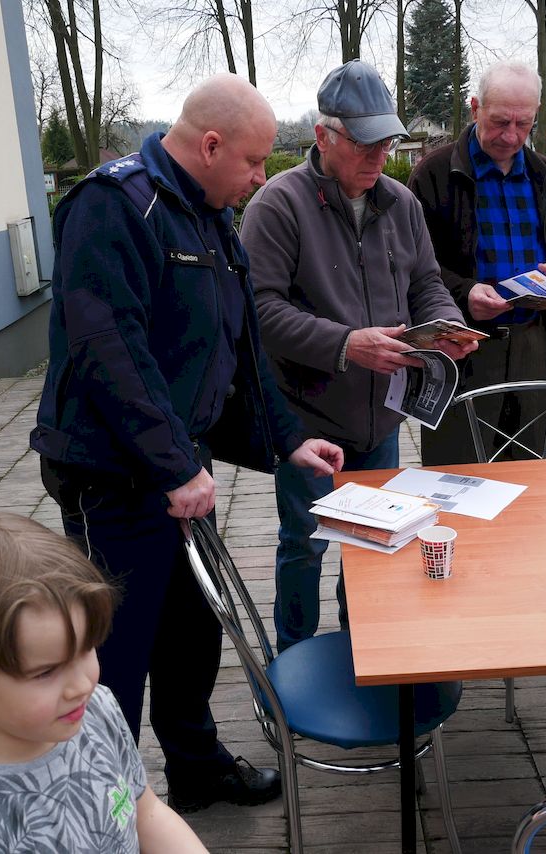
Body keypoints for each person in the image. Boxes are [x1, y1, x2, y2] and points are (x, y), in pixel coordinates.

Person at [30, 74, 344, 813]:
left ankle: (197, 771)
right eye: (254, 161)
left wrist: (289, 440)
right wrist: (174, 466)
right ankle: (103, 811)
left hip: (177, 469)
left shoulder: (209, 214)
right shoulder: (114, 206)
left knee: (191, 632)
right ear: (209, 145)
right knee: (115, 655)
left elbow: (242, 344)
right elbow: (110, 349)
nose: (261, 176)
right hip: (114, 477)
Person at [240, 59, 477, 652]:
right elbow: (258, 311)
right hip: (308, 421)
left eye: (387, 141)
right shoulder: (277, 205)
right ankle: (291, 659)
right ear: (324, 137)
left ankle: (364, 649)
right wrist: (346, 345)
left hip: (382, 418)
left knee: (374, 542)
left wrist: (445, 323)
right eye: (365, 142)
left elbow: (425, 282)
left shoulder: (401, 203)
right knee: (305, 542)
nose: (379, 156)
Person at [0, 513, 208, 853]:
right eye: (46, 672)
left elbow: (146, 812)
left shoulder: (96, 709)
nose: (81, 686)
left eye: (87, 648)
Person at [408, 60, 546, 466]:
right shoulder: (434, 175)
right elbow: (412, 266)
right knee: (455, 473)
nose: (511, 135)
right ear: (475, 108)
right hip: (462, 347)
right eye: (500, 121)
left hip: (534, 344)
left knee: (529, 473)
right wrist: (464, 292)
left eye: (523, 124)